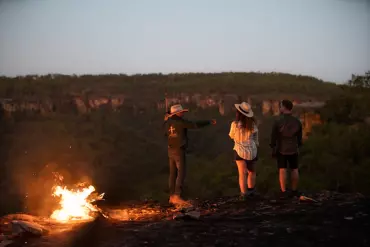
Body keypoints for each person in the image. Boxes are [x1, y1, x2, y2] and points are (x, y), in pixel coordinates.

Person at [164, 104, 216, 205]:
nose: (183, 113)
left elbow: (165, 133)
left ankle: (171, 196)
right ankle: (177, 196)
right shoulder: (180, 122)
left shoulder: (167, 123)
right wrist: (208, 122)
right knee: (181, 173)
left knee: (173, 173)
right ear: (177, 113)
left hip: (170, 149)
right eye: (181, 112)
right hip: (179, 150)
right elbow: (194, 125)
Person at [270, 99, 303, 198]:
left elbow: (274, 137)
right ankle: (294, 190)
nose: (279, 108)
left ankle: (283, 191)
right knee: (294, 169)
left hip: (281, 148)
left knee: (282, 169)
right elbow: (299, 138)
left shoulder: (278, 121)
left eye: (281, 106)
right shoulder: (297, 121)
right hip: (293, 148)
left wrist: (273, 147)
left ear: (284, 107)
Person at [229, 102, 259, 200]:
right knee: (252, 172)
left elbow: (231, 136)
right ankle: (251, 191)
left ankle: (243, 194)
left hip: (239, 151)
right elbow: (256, 138)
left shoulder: (235, 124)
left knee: (242, 174)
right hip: (252, 151)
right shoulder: (253, 124)